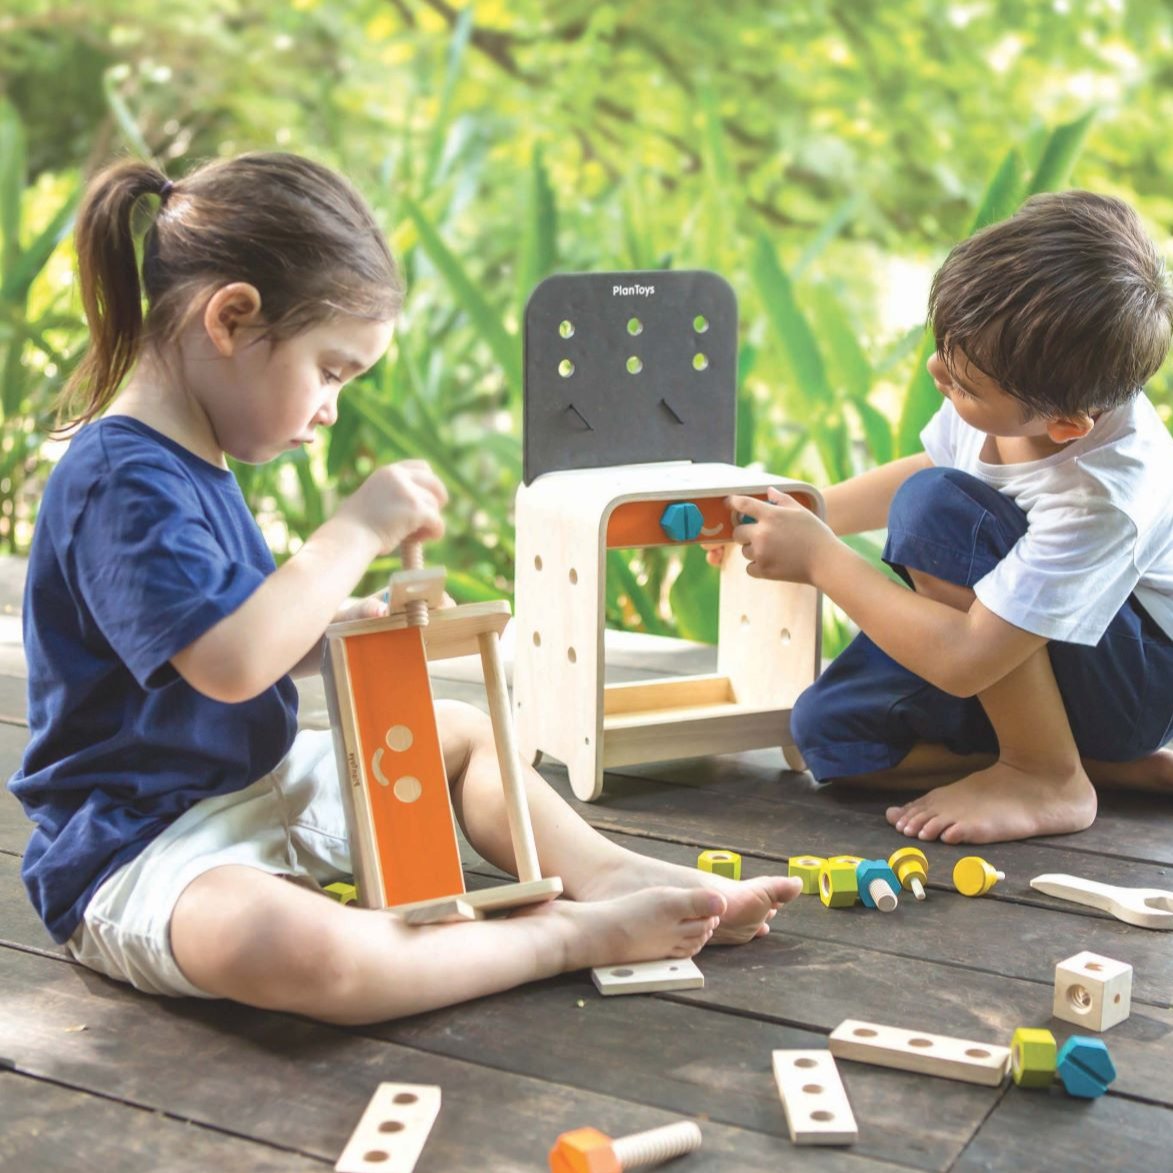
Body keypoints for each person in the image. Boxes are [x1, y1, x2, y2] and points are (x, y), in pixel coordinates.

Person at [7, 153, 800, 1025]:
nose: (330, 409)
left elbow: (220, 634)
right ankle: (565, 936)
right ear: (231, 318)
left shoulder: (192, 459)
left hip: (259, 777)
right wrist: (351, 532)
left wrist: (336, 626)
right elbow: (230, 662)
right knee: (285, 946)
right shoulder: (120, 477)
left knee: (458, 732)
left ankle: (605, 871)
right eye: (331, 371)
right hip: (143, 840)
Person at [727, 191, 1173, 845]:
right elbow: (934, 459)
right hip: (1023, 645)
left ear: (1065, 425)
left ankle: (1046, 773)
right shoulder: (1018, 381)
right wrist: (804, 509)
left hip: (1130, 675)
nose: (936, 370)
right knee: (832, 734)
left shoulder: (1099, 492)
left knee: (934, 509)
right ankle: (1108, 769)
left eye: (964, 383)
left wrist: (820, 557)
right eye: (944, 350)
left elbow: (965, 658)